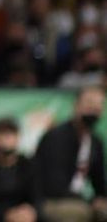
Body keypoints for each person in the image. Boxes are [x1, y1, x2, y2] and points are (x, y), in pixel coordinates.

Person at [33, 85, 107, 222]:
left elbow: (99, 183)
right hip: (51, 201)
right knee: (79, 212)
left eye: (99, 105)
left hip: (78, 201)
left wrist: (100, 199)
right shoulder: (56, 137)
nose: (94, 109)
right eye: (89, 103)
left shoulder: (95, 141)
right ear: (76, 106)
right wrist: (90, 202)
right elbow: (54, 186)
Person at [0, 116, 38, 222]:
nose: (7, 138)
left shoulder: (27, 165)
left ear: (18, 137)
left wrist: (31, 211)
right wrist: (6, 215)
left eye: (11, 133)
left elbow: (36, 197)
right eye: (2, 133)